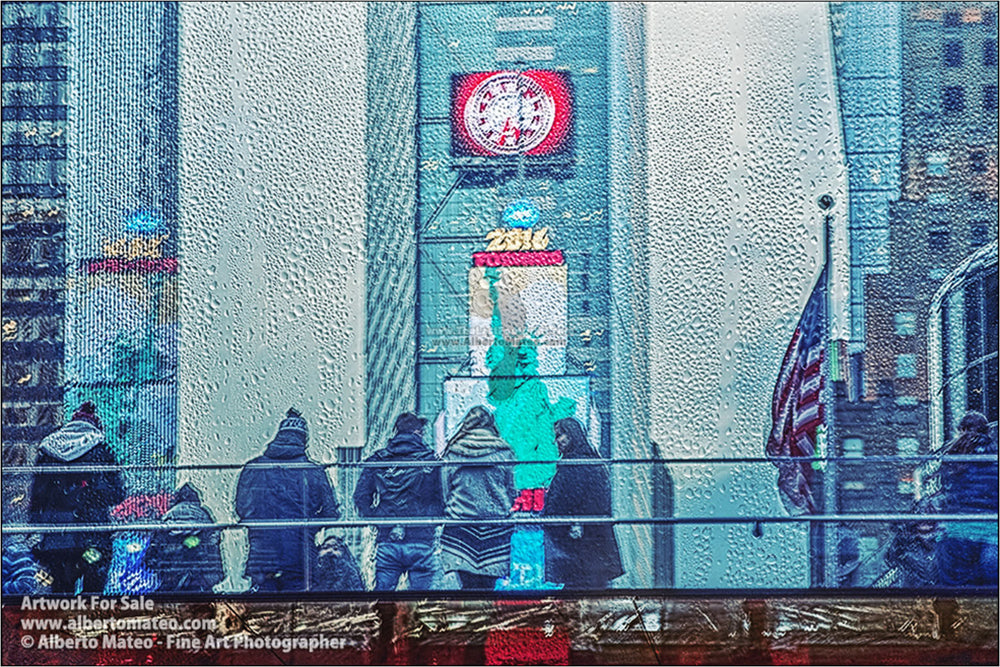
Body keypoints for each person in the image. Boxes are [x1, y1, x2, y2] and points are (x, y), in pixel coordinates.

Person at [235, 408, 340, 592]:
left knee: (263, 610)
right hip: (300, 553)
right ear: (303, 440)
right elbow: (330, 513)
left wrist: (260, 524)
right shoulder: (314, 471)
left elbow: (242, 508)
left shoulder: (253, 468)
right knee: (297, 608)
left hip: (262, 553)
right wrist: (307, 527)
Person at [29, 402, 125, 594]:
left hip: (57, 541)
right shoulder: (102, 451)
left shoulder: (48, 451)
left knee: (60, 593)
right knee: (93, 594)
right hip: (92, 536)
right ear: (95, 426)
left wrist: (36, 530)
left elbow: (37, 498)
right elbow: (116, 495)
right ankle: (86, 622)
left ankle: (62, 622)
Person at [353, 412, 443, 590]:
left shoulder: (378, 459)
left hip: (388, 538)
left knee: (384, 600)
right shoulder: (430, 461)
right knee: (422, 601)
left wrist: (378, 519)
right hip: (422, 539)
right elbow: (441, 496)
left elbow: (361, 497)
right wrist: (431, 519)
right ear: (418, 432)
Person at [439, 406, 516, 590]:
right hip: (495, 527)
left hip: (460, 527)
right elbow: (511, 490)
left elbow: (444, 490)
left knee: (467, 587)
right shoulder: (505, 451)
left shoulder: (454, 451)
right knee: (488, 588)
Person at [542, 417, 623, 589]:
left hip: (578, 550)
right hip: (595, 550)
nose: (556, 441)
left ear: (571, 436)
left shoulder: (573, 466)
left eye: (559, 435)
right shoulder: (593, 462)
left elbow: (559, 507)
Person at [934, 411, 998, 587]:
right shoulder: (994, 459)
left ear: (961, 430)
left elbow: (946, 492)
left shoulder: (953, 458)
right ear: (988, 432)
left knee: (955, 594)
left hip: (956, 532)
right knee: (990, 596)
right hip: (992, 534)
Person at [146, 482, 225, 593]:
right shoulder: (203, 515)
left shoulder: (170, 515)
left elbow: (159, 539)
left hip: (179, 560)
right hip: (193, 564)